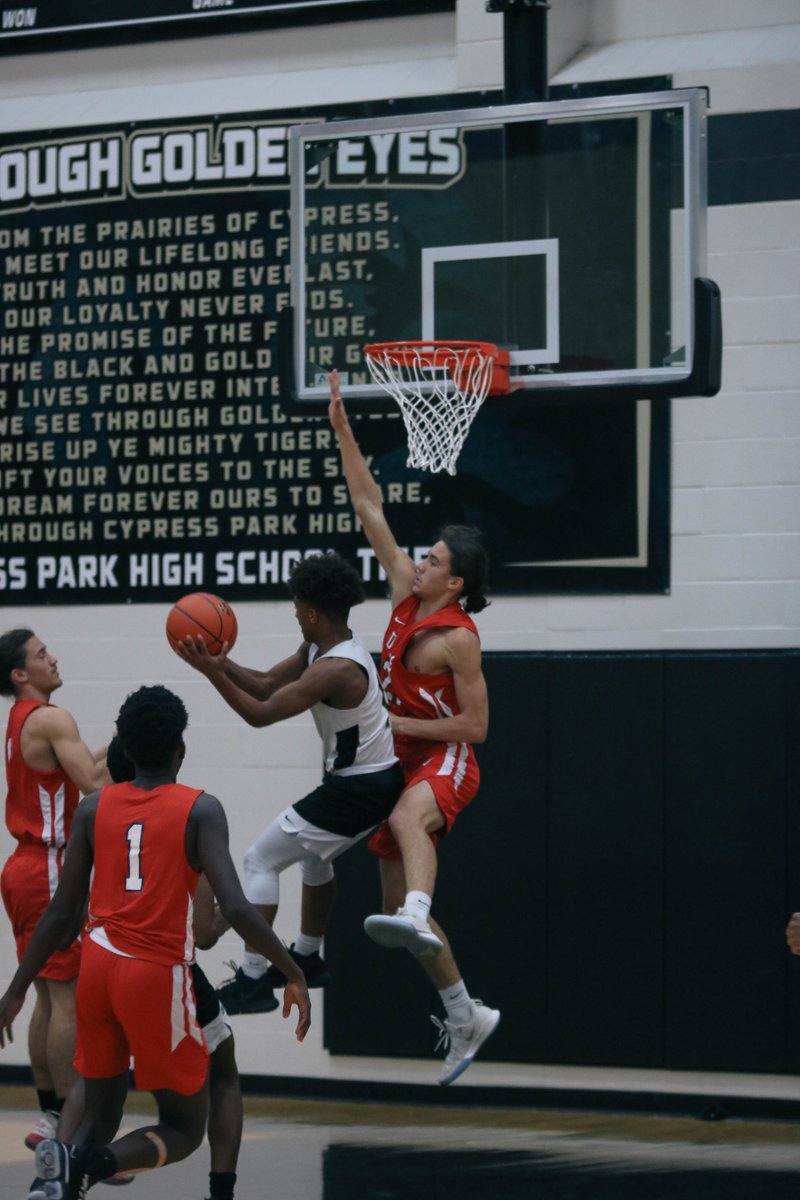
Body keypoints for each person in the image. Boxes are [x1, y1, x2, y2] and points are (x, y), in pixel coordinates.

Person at [0, 684, 310, 1200]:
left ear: (122, 745)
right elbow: (231, 908)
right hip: (156, 971)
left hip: (96, 966)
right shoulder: (200, 809)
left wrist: (15, 989)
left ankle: (56, 1177)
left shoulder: (92, 808)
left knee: (101, 1104)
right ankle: (89, 1165)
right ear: (180, 750)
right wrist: (292, 970)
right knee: (185, 1126)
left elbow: (60, 914)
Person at [328, 368, 500, 1086]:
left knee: (407, 822)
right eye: (422, 556)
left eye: (432, 559)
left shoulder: (458, 638)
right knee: (395, 913)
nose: (419, 560)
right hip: (403, 754)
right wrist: (342, 428)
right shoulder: (404, 595)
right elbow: (369, 505)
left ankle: (421, 909)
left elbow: (478, 728)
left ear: (454, 582)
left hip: (448, 756)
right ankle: (466, 1013)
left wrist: (393, 716)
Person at [177, 551, 405, 1016]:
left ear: (313, 612)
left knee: (260, 858)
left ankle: (254, 980)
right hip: (365, 782)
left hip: (359, 788)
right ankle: (308, 956)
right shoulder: (320, 648)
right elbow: (263, 685)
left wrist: (211, 673)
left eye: (298, 606)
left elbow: (261, 715)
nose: (295, 612)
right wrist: (223, 662)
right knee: (312, 859)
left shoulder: (335, 669)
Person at [0, 628, 109, 1151]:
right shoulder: (50, 717)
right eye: (42, 655)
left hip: (23, 868)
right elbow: (92, 784)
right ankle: (73, 1131)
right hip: (47, 867)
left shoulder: (22, 719)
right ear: (20, 675)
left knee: (46, 996)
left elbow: (85, 766)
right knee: (66, 999)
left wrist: (126, 739)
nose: (54, 658)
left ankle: (50, 1119)